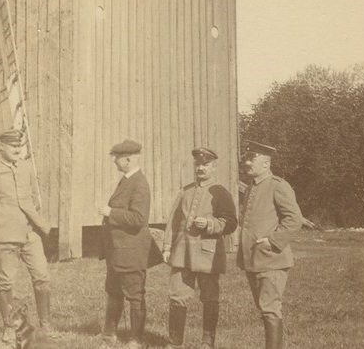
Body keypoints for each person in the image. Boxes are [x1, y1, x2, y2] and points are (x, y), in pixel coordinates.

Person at [0, 129, 52, 345]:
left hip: (29, 232)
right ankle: (9, 327)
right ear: (2, 146)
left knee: (42, 276)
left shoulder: (26, 168)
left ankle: (45, 324)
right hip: (5, 235)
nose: (17, 150)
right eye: (13, 146)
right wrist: (1, 218)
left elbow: (33, 197)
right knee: (5, 282)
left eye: (19, 146)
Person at [163, 147, 238, 349]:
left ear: (214, 167)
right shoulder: (185, 191)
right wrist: (167, 247)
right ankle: (175, 343)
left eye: (206, 164)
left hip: (208, 255)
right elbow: (173, 222)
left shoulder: (221, 193)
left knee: (210, 298)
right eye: (198, 164)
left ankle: (207, 343)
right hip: (182, 254)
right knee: (177, 296)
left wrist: (210, 224)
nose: (201, 168)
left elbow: (231, 222)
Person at [237, 141, 302, 349]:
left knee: (270, 308)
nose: (247, 162)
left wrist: (272, 241)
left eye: (252, 158)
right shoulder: (252, 187)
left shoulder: (277, 185)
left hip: (272, 258)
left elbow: (294, 219)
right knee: (265, 308)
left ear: (266, 163)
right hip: (255, 259)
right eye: (246, 158)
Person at [98, 139, 152, 349]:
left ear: (128, 160)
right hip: (118, 251)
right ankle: (109, 334)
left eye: (117, 158)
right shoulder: (127, 181)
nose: (115, 162)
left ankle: (136, 340)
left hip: (130, 252)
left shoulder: (139, 184)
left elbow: (139, 218)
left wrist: (110, 212)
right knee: (114, 291)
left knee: (134, 294)